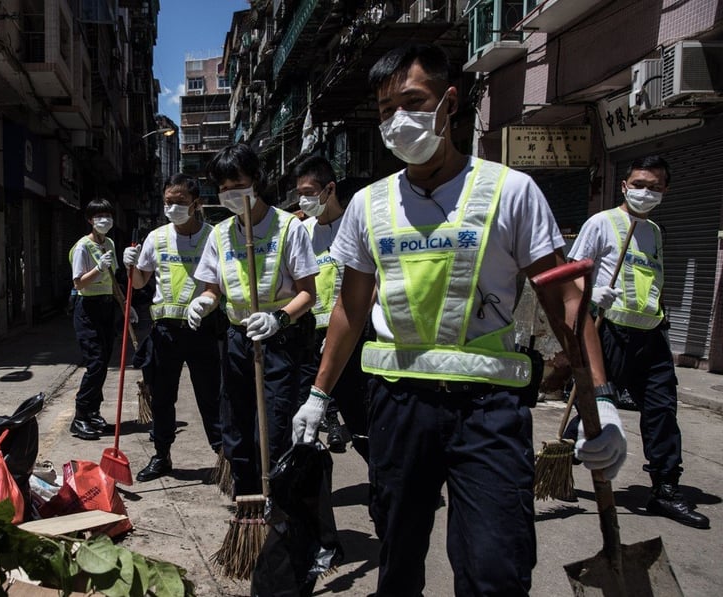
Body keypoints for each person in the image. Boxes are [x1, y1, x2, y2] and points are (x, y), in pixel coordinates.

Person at [290, 43, 628, 595]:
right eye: (384, 110)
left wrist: (603, 399)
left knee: (494, 568)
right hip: (399, 408)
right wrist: (319, 394)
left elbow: (564, 298)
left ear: (449, 103)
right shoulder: (368, 205)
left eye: (412, 101)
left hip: (488, 412)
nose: (397, 121)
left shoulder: (509, 191)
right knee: (397, 560)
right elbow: (350, 308)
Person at [567, 156, 709, 529]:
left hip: (652, 335)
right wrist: (594, 292)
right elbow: (572, 274)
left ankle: (665, 489)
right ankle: (562, 460)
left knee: (662, 412)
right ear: (625, 185)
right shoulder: (602, 223)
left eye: (656, 186)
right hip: (610, 330)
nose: (647, 192)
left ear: (666, 190)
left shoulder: (655, 232)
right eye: (640, 184)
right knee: (593, 404)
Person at [188, 143, 319, 497]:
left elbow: (309, 292)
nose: (231, 194)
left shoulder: (288, 227)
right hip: (237, 339)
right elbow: (213, 286)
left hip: (279, 341)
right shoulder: (220, 234)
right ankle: (247, 500)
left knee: (274, 429)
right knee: (236, 427)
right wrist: (204, 301)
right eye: (224, 188)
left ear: (257, 181)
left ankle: (277, 502)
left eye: (238, 184)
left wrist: (279, 318)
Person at [123, 174, 223, 481]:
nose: (173, 208)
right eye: (168, 202)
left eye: (179, 202)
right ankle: (161, 455)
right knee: (163, 396)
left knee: (212, 397)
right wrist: (131, 265)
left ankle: (225, 459)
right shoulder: (157, 238)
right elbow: (140, 282)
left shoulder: (215, 236)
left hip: (204, 329)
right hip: (165, 333)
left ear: (197, 203)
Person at [292, 155, 370, 458]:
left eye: (310, 192)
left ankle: (379, 474)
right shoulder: (301, 231)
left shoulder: (357, 226)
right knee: (304, 418)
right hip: (310, 336)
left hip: (353, 335)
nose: (304, 199)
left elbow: (371, 283)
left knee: (359, 414)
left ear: (330, 189)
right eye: (300, 193)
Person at [68, 198, 121, 440]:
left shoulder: (109, 242)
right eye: (99, 216)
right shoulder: (82, 246)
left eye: (108, 216)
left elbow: (113, 279)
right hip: (87, 307)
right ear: (90, 220)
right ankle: (80, 417)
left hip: (107, 306)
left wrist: (125, 305)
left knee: (104, 362)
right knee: (95, 363)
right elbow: (78, 282)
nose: (105, 220)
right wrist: (98, 268)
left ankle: (93, 413)